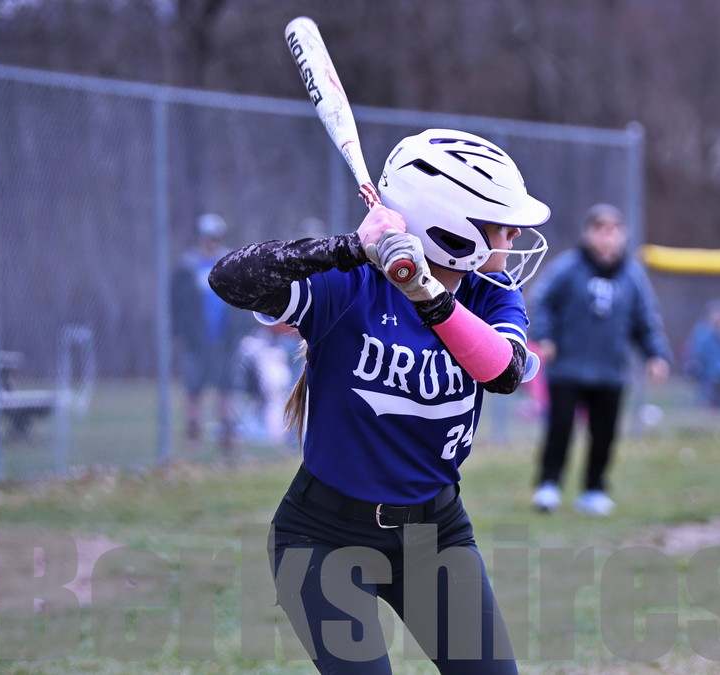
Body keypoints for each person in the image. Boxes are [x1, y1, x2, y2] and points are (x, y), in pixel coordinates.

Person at [209, 128, 549, 673]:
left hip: (435, 534)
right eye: (500, 224)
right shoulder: (351, 284)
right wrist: (348, 247)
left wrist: (427, 293)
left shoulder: (492, 292)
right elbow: (230, 278)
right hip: (322, 538)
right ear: (453, 229)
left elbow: (504, 372)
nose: (513, 237)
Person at [529, 203, 672, 517]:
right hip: (567, 367)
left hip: (610, 370)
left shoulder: (632, 275)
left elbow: (645, 319)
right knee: (560, 428)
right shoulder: (568, 267)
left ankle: (594, 490)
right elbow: (543, 300)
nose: (607, 236)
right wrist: (545, 336)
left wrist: (655, 355)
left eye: (614, 229)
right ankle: (549, 485)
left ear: (623, 234)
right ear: (588, 233)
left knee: (604, 432)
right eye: (600, 228)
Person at [170, 213, 247, 455]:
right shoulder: (187, 267)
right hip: (196, 341)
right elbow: (177, 305)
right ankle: (194, 437)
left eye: (216, 237)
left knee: (226, 388)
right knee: (194, 388)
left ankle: (228, 436)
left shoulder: (230, 264)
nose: (212, 242)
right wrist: (181, 333)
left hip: (225, 340)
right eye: (208, 237)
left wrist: (239, 331)